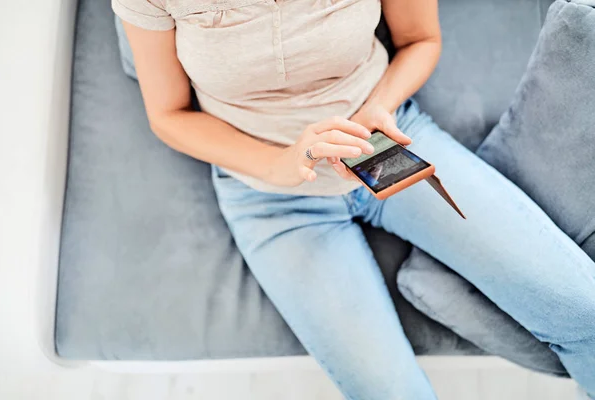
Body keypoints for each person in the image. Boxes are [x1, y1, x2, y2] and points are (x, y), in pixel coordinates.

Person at [112, 0, 595, 398]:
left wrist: (377, 110)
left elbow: (420, 41)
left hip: (384, 144)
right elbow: (169, 113)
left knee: (585, 312)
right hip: (271, 197)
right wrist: (278, 164)